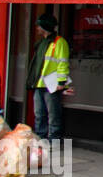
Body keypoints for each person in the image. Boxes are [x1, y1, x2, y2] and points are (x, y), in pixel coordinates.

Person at [27, 13, 70, 142]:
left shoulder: (59, 42)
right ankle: (41, 139)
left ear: (45, 27)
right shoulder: (42, 43)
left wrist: (61, 82)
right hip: (40, 83)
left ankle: (54, 140)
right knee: (39, 114)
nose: (37, 28)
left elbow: (63, 62)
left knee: (53, 114)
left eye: (39, 26)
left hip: (52, 85)